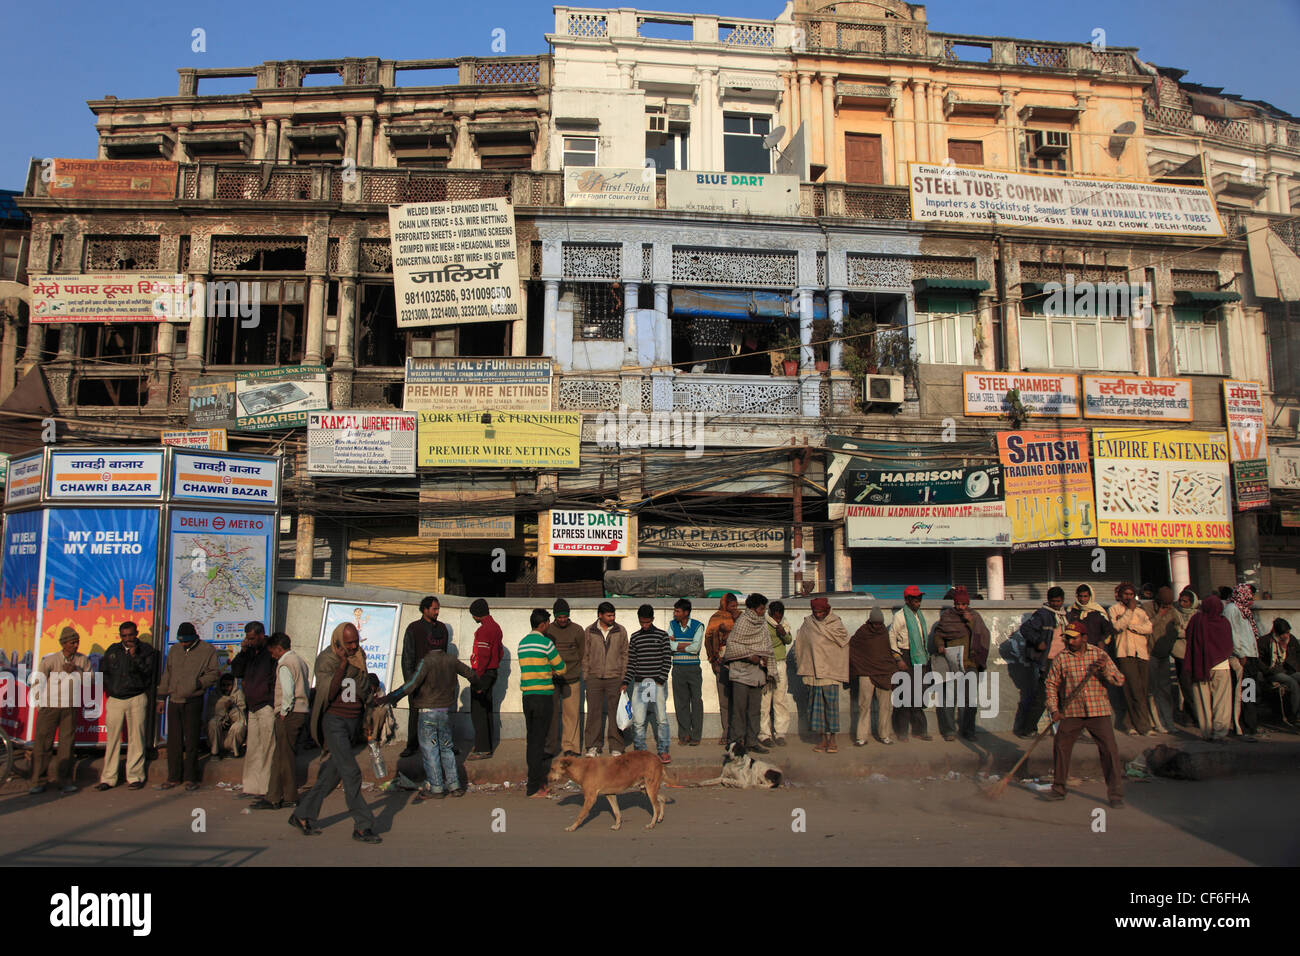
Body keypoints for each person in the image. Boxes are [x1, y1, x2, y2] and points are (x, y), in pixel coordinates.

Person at [290, 622, 381, 842]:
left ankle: (302, 815)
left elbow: (363, 690)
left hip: (352, 723)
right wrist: (342, 665)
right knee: (352, 773)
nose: (353, 647)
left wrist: (367, 716)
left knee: (332, 775)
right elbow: (327, 693)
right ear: (338, 641)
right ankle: (362, 825)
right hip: (334, 723)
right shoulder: (327, 660)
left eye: (356, 642)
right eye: (349, 643)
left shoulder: (359, 657)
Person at [374, 630, 478, 801]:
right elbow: (471, 674)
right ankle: (454, 786)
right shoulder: (451, 660)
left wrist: (392, 696)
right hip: (445, 711)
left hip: (428, 711)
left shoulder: (426, 662)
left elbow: (412, 683)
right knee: (447, 748)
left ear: (429, 642)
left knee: (430, 751)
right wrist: (480, 686)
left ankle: (436, 787)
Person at [1042, 621, 1127, 808]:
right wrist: (1054, 709)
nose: (1070, 641)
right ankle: (1058, 789)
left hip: (1098, 710)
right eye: (1068, 638)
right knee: (1061, 747)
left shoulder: (1099, 654)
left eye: (1074, 638)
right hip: (1072, 711)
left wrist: (1104, 669)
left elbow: (1119, 680)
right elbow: (1051, 685)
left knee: (1109, 751)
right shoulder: (1061, 658)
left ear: (1084, 638)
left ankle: (1115, 795)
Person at [155, 622, 220, 791]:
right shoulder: (175, 650)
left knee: (191, 740)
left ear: (194, 638)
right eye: (181, 641)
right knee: (173, 741)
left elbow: (213, 673)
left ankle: (191, 777)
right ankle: (173, 777)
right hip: (174, 700)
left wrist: (197, 684)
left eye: (186, 641)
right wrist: (161, 698)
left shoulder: (207, 650)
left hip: (193, 699)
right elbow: (167, 674)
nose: (183, 644)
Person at [30, 627, 92, 795]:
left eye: (77, 642)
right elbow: (38, 681)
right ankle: (38, 781)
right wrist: (39, 704)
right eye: (72, 642)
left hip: (70, 707)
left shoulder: (82, 660)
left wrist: (77, 670)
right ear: (63, 643)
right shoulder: (50, 660)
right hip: (49, 707)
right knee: (43, 745)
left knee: (67, 745)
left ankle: (64, 780)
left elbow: (91, 679)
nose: (76, 645)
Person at [96, 620, 157, 791]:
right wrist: (110, 689)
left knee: (136, 738)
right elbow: (104, 672)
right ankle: (108, 778)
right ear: (120, 636)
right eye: (124, 636)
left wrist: (134, 656)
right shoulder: (113, 650)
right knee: (113, 739)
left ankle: (135, 776)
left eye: (131, 635)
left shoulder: (146, 650)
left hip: (136, 696)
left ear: (136, 633)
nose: (128, 638)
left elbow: (148, 673)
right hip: (116, 698)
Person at [253, 633, 311, 810]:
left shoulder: (285, 663)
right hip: (301, 711)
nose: (273, 656)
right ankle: (274, 796)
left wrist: (284, 711)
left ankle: (289, 796)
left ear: (279, 648)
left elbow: (288, 691)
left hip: (290, 713)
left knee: (284, 756)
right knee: (281, 755)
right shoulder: (300, 661)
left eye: (273, 652)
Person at [931, 586, 991, 742]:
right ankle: (949, 731)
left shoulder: (975, 617)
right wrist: (940, 646)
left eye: (964, 605)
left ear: (968, 604)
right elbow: (939, 634)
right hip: (952, 663)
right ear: (954, 603)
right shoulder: (947, 617)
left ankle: (968, 731)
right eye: (958, 604)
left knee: (970, 700)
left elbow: (983, 635)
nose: (961, 607)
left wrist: (970, 623)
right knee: (949, 699)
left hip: (971, 663)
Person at [518, 609, 566, 797]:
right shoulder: (546, 644)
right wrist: (550, 672)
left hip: (527, 696)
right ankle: (535, 786)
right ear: (543, 624)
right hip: (543, 696)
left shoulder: (522, 644)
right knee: (540, 741)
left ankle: (534, 782)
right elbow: (561, 668)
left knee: (532, 740)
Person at [796, 597, 850, 753]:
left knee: (831, 707)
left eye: (821, 611)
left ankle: (832, 739)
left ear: (827, 610)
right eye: (815, 611)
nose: (818, 614)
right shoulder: (808, 624)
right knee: (816, 708)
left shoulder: (836, 623)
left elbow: (843, 645)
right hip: (813, 672)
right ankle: (821, 739)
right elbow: (801, 645)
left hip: (830, 672)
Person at [722, 594, 774, 753]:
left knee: (754, 710)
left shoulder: (763, 624)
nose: (763, 611)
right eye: (761, 608)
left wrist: (764, 656)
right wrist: (750, 655)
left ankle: (752, 741)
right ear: (753, 609)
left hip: (757, 674)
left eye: (764, 608)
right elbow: (732, 645)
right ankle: (735, 743)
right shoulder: (742, 622)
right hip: (740, 673)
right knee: (739, 710)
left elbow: (766, 645)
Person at [229, 621, 276, 798]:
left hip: (266, 705)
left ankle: (265, 787)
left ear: (261, 635)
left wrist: (271, 701)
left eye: (252, 638)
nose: (249, 641)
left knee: (267, 747)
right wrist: (242, 651)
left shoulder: (271, 651)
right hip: (253, 706)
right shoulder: (249, 652)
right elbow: (236, 671)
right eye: (247, 638)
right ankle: (251, 786)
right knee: (253, 748)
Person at [399, 597, 449, 759]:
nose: (437, 612)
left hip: (437, 678)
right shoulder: (414, 628)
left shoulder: (442, 628)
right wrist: (410, 681)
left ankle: (443, 743)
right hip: (418, 678)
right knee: (416, 711)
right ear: (425, 610)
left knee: (440, 712)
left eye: (438, 608)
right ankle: (412, 744)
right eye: (434, 609)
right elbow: (407, 656)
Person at [1014, 587, 1067, 738]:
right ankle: (1027, 729)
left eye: (1058, 601)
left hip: (1064, 659)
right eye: (1053, 601)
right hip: (1049, 660)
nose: (1056, 604)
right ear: (1048, 601)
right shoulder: (1043, 614)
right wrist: (1038, 641)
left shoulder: (1065, 615)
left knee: (1066, 694)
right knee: (1042, 696)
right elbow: (1025, 629)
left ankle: (1067, 729)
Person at [624, 605, 673, 762]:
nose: (644, 625)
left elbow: (667, 659)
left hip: (657, 683)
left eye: (647, 622)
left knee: (661, 718)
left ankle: (663, 749)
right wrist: (626, 681)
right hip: (640, 683)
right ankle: (640, 751)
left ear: (652, 619)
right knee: (638, 720)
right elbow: (632, 662)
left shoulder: (662, 636)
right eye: (641, 622)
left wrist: (660, 678)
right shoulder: (635, 637)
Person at [1184, 594, 1234, 742]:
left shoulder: (1196, 621)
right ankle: (1219, 733)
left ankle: (1206, 732)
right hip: (1221, 667)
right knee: (1222, 701)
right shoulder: (1223, 622)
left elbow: (1189, 639)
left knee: (1202, 700)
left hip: (1199, 667)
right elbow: (1228, 645)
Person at [850, 607, 903, 746]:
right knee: (864, 705)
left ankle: (884, 735)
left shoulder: (885, 633)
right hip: (866, 672)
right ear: (870, 622)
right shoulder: (862, 632)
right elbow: (853, 649)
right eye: (875, 623)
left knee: (885, 706)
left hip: (884, 672)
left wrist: (892, 668)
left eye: (880, 623)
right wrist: (860, 667)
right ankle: (861, 737)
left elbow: (890, 651)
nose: (877, 626)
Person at [582, 601, 629, 757]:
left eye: (613, 615)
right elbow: (585, 655)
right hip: (594, 677)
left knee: (615, 713)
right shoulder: (589, 631)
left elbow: (625, 655)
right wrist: (586, 676)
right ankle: (592, 746)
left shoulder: (620, 631)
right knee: (593, 713)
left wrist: (623, 679)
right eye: (609, 615)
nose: (612, 618)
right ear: (600, 615)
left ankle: (616, 746)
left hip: (614, 677)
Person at [1109, 583, 1154, 736]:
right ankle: (1144, 726)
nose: (1128, 597)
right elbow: (1117, 627)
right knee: (1132, 689)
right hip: (1124, 652)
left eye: (1130, 594)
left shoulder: (1141, 611)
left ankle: (1129, 723)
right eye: (1125, 594)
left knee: (1142, 689)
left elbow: (1149, 628)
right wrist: (1129, 612)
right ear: (1120, 595)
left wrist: (1133, 627)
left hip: (1141, 653)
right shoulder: (1114, 610)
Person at [888, 585, 932, 741]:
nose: (918, 602)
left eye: (919, 599)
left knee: (919, 695)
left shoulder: (919, 616)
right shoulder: (900, 616)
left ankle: (920, 730)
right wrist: (898, 658)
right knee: (905, 696)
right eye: (915, 599)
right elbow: (891, 637)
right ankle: (902, 732)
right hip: (905, 657)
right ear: (907, 600)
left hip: (919, 658)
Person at [546, 598, 585, 758]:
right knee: (551, 714)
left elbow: (582, 652)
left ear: (569, 615)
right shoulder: (548, 631)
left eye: (565, 616)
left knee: (571, 714)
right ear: (555, 616)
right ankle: (550, 748)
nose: (562, 620)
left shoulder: (577, 630)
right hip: (551, 679)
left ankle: (572, 747)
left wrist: (574, 669)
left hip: (572, 679)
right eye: (559, 617)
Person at [1223, 583, 1262, 741]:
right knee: (1242, 693)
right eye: (1250, 594)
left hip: (1251, 656)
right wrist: (1240, 654)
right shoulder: (1232, 609)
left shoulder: (1244, 611)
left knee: (1250, 692)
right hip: (1242, 657)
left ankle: (1251, 725)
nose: (1252, 598)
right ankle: (1241, 726)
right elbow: (1232, 633)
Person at [467, 599, 503, 760]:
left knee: (478, 711)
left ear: (476, 615)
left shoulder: (483, 631)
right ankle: (487, 745)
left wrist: (478, 678)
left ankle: (482, 748)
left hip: (482, 674)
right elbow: (499, 652)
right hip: (492, 672)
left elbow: (483, 656)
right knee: (486, 709)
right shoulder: (496, 627)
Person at [668, 598, 705, 746]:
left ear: (686, 613)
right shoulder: (672, 625)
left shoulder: (698, 626)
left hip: (693, 668)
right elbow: (668, 644)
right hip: (677, 668)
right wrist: (685, 645)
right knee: (681, 702)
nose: (675, 613)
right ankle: (684, 734)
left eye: (677, 611)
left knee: (696, 701)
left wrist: (677, 644)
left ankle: (696, 735)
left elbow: (696, 648)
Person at [704, 594, 739, 744]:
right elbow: (708, 639)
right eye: (732, 606)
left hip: (740, 664)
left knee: (739, 701)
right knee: (724, 702)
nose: (735, 609)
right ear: (725, 605)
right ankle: (726, 732)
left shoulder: (742, 619)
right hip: (722, 664)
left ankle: (738, 734)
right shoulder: (716, 618)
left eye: (736, 606)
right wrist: (714, 660)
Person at [759, 600, 794, 747]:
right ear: (771, 614)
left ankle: (780, 733)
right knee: (765, 701)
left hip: (780, 663)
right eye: (776, 616)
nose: (778, 619)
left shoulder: (784, 624)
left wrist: (783, 633)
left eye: (780, 616)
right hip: (766, 664)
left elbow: (788, 639)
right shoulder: (763, 624)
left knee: (780, 700)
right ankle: (764, 734)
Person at [1147, 587, 1181, 735]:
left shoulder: (1173, 611)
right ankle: (1157, 722)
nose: (1168, 607)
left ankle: (1169, 722)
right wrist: (1159, 615)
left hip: (1165, 655)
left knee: (1165, 691)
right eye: (1165, 604)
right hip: (1150, 655)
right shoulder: (1148, 608)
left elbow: (1178, 627)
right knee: (1152, 691)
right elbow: (1146, 627)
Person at [1259, 618, 1299, 722]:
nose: (1287, 636)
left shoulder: (1291, 640)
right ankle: (1294, 715)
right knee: (1292, 683)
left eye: (1288, 632)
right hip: (1273, 672)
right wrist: (1267, 670)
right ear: (1276, 633)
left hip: (1289, 671)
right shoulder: (1265, 641)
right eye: (1284, 633)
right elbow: (1258, 660)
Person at [1172, 589, 1198, 725]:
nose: (1182, 603)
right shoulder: (1174, 612)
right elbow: (1176, 630)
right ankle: (1194, 716)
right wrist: (1188, 632)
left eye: (1186, 601)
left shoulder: (1196, 614)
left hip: (1194, 654)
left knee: (1194, 687)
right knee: (1186, 686)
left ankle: (1190, 717)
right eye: (1181, 600)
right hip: (1180, 653)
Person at [206, 674, 247, 758]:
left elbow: (242, 718)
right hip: (219, 734)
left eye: (228, 685)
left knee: (239, 726)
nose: (225, 688)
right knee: (212, 723)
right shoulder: (214, 695)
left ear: (233, 685)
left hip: (232, 734)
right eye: (223, 685)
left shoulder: (238, 694)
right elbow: (210, 715)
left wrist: (232, 708)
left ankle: (233, 750)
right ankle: (215, 752)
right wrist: (223, 719)